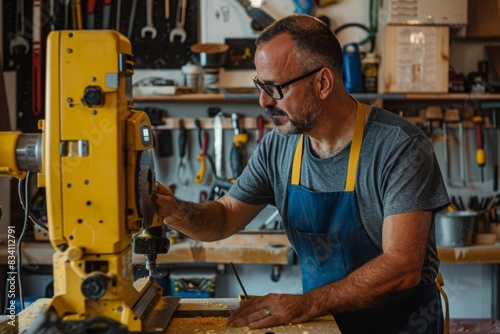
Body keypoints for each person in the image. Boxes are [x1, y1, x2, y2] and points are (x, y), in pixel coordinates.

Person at [155, 14, 450, 334]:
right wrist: (174, 211)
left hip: (399, 324)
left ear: (322, 82)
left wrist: (306, 303)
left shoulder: (399, 147)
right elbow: (225, 215)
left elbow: (401, 267)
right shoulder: (277, 149)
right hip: (323, 325)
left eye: (274, 87)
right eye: (260, 85)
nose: (263, 101)